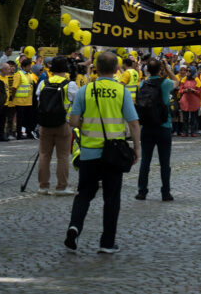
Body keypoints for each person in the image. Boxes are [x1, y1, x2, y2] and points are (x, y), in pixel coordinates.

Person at [64, 51, 141, 255]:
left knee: (84, 194)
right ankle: (107, 242)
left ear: (96, 68)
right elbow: (133, 123)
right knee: (111, 198)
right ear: (117, 69)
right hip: (113, 154)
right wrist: (137, 148)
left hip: (89, 152)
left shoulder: (85, 90)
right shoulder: (121, 91)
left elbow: (72, 121)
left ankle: (74, 227)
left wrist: (86, 124)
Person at [136, 57, 177, 201]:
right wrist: (168, 68)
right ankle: (165, 192)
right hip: (164, 126)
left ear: (147, 70)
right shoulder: (165, 83)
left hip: (146, 126)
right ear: (161, 69)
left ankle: (142, 191)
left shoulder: (142, 83)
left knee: (145, 161)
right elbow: (176, 82)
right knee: (165, 162)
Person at [36, 56, 78, 196]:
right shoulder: (69, 85)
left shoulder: (43, 83)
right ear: (65, 69)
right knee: (63, 156)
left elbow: (38, 100)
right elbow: (76, 102)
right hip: (63, 124)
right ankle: (61, 187)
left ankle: (43, 186)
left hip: (45, 123)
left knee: (44, 155)